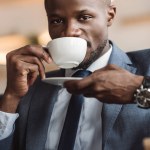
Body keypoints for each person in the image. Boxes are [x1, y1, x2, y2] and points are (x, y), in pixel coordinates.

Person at [0, 0, 150, 149]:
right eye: (57, 21)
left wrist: (140, 89)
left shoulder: (145, 68)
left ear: (109, 15)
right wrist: (11, 96)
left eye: (84, 17)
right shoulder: (31, 87)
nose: (70, 32)